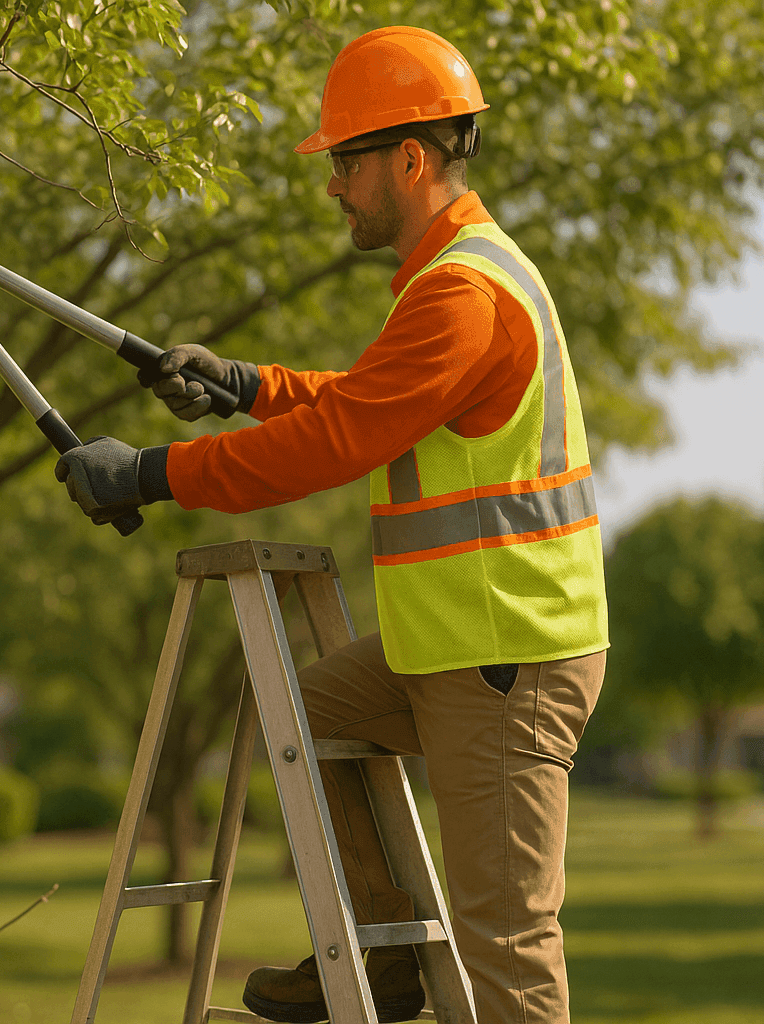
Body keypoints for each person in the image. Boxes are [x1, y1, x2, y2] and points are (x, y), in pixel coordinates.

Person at [54, 26, 608, 1024]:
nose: (333, 185)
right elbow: (367, 399)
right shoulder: (450, 281)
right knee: (299, 712)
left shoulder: (464, 294)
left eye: (345, 161)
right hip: (456, 648)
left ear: (409, 158)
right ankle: (381, 950)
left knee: (506, 947)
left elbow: (341, 438)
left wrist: (148, 472)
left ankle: (390, 955)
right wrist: (244, 384)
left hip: (506, 663)